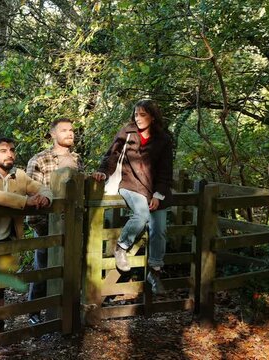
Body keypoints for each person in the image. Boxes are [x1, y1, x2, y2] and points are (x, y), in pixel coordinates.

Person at [0, 136, 53, 335]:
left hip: (4, 241)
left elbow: (43, 188)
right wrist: (26, 201)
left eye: (12, 150)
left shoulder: (19, 176)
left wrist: (45, 198)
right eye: (3, 150)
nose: (10, 154)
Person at [94, 99, 173, 295]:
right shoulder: (128, 132)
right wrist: (103, 172)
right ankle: (122, 246)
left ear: (152, 117)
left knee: (159, 230)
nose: (138, 118)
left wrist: (158, 194)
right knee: (141, 214)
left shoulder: (163, 139)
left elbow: (165, 171)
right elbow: (111, 155)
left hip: (154, 189)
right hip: (129, 183)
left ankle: (154, 272)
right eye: (136, 114)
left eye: (143, 114)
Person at [25, 118, 82, 325]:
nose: (70, 133)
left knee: (72, 269)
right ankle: (34, 312)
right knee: (42, 269)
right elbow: (31, 192)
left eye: (71, 130)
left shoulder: (77, 160)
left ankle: (67, 312)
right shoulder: (39, 160)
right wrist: (40, 227)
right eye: (64, 130)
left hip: (74, 225)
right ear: (52, 134)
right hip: (46, 225)